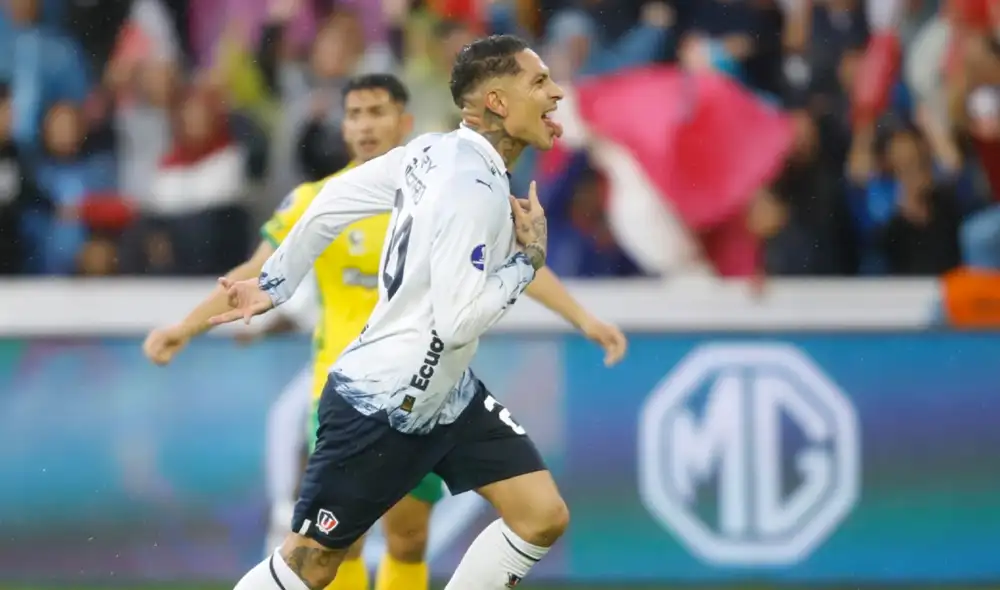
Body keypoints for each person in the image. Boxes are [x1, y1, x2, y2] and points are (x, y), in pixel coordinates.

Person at [211, 35, 623, 590]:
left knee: (540, 516)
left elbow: (331, 202)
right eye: (539, 82)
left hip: (446, 395)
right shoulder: (472, 189)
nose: (556, 94)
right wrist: (525, 264)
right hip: (381, 400)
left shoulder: (432, 151)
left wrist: (277, 282)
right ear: (498, 102)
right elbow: (457, 322)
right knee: (313, 561)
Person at [145, 74, 441, 590]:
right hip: (339, 391)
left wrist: (584, 319)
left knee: (409, 536)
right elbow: (254, 274)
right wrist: (184, 328)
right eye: (355, 114)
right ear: (344, 126)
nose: (366, 125)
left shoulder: (436, 196)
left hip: (420, 386)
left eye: (378, 112)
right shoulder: (316, 198)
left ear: (405, 121)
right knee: (339, 540)